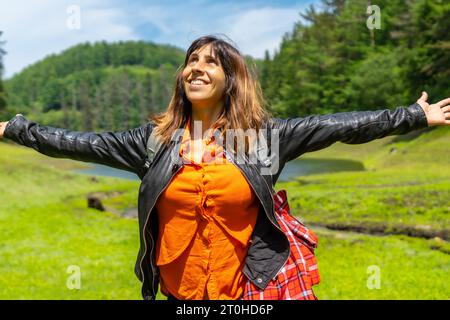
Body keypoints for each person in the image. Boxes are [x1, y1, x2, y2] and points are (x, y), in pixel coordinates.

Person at [0, 35, 449, 301]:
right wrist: (13, 129)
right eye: (191, 61)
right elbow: (78, 143)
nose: (196, 68)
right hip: (181, 295)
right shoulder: (151, 141)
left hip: (247, 293)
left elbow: (336, 126)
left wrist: (413, 116)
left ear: (231, 79)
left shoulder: (264, 138)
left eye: (210, 62)